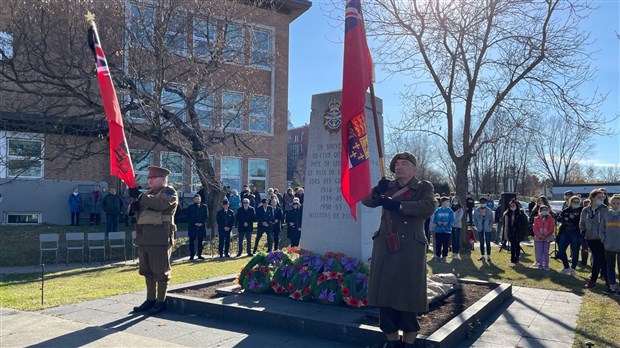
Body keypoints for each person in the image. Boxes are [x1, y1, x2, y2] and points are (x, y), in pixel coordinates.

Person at [361, 152, 436, 347]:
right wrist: (378, 190)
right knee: (385, 295)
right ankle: (392, 340)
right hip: (386, 245)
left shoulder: (422, 187)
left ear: (414, 168)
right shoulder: (389, 187)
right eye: (396, 164)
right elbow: (367, 202)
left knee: (408, 295)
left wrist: (400, 206)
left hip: (409, 248)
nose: (399, 167)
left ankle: (409, 341)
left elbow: (429, 206)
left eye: (404, 163)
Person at [129, 165, 178, 315]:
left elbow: (160, 205)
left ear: (163, 179)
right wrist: (133, 207)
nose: (149, 180)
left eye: (153, 178)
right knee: (147, 271)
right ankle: (150, 299)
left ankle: (160, 301)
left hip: (159, 238)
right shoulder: (148, 194)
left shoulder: (169, 192)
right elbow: (136, 213)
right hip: (144, 238)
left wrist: (140, 197)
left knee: (160, 272)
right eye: (148, 178)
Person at [580, 189, 609, 289]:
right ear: (592, 198)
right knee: (598, 259)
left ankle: (605, 281)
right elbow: (582, 223)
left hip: (602, 238)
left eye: (603, 197)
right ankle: (602, 281)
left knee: (600, 259)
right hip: (590, 238)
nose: (601, 199)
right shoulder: (585, 210)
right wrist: (583, 232)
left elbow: (607, 224)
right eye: (599, 197)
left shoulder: (605, 209)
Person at [557, 195, 583, 275]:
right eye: (574, 202)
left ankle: (573, 268)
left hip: (576, 232)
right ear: (570, 202)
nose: (576, 203)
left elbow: (580, 221)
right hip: (565, 232)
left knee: (575, 251)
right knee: (561, 249)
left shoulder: (582, 210)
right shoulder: (566, 210)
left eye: (578, 202)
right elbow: (559, 218)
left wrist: (568, 219)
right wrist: (568, 218)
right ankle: (566, 267)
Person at [600, 194, 620, 295]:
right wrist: (604, 239)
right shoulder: (607, 215)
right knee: (610, 267)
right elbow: (602, 229)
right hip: (609, 246)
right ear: (610, 204)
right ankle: (612, 287)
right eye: (613, 203)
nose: (615, 205)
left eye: (618, 203)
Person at [504, 199, 529, 264]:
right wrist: (506, 234)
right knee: (512, 245)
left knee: (517, 244)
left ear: (516, 205)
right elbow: (506, 225)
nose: (512, 206)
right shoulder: (508, 214)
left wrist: (523, 232)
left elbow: (525, 223)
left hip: (518, 231)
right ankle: (512, 258)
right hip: (511, 231)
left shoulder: (521, 213)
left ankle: (517, 257)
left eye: (513, 205)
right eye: (511, 205)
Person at [532, 205, 555, 271]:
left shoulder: (551, 219)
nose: (544, 211)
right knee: (539, 251)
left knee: (545, 251)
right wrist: (540, 236)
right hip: (538, 238)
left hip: (547, 238)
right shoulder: (536, 219)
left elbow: (551, 229)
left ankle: (546, 265)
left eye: (546, 210)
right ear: (540, 211)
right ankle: (540, 264)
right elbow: (535, 229)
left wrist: (545, 235)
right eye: (543, 210)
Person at [432, 197, 454, 262]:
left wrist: (448, 223)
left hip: (447, 231)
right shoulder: (438, 210)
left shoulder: (450, 211)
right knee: (438, 244)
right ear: (443, 202)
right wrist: (438, 222)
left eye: (448, 202)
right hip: (438, 231)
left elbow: (452, 220)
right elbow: (434, 219)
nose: (448, 203)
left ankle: (444, 257)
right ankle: (437, 256)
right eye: (447, 201)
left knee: (445, 245)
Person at [187, 194, 208, 261]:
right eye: (196, 199)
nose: (198, 200)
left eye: (199, 199)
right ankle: (192, 255)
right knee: (192, 242)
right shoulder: (190, 207)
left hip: (201, 226)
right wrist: (195, 223)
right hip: (193, 227)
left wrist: (201, 223)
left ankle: (199, 255)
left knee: (200, 242)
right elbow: (189, 217)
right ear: (194, 199)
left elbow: (206, 216)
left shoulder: (204, 207)